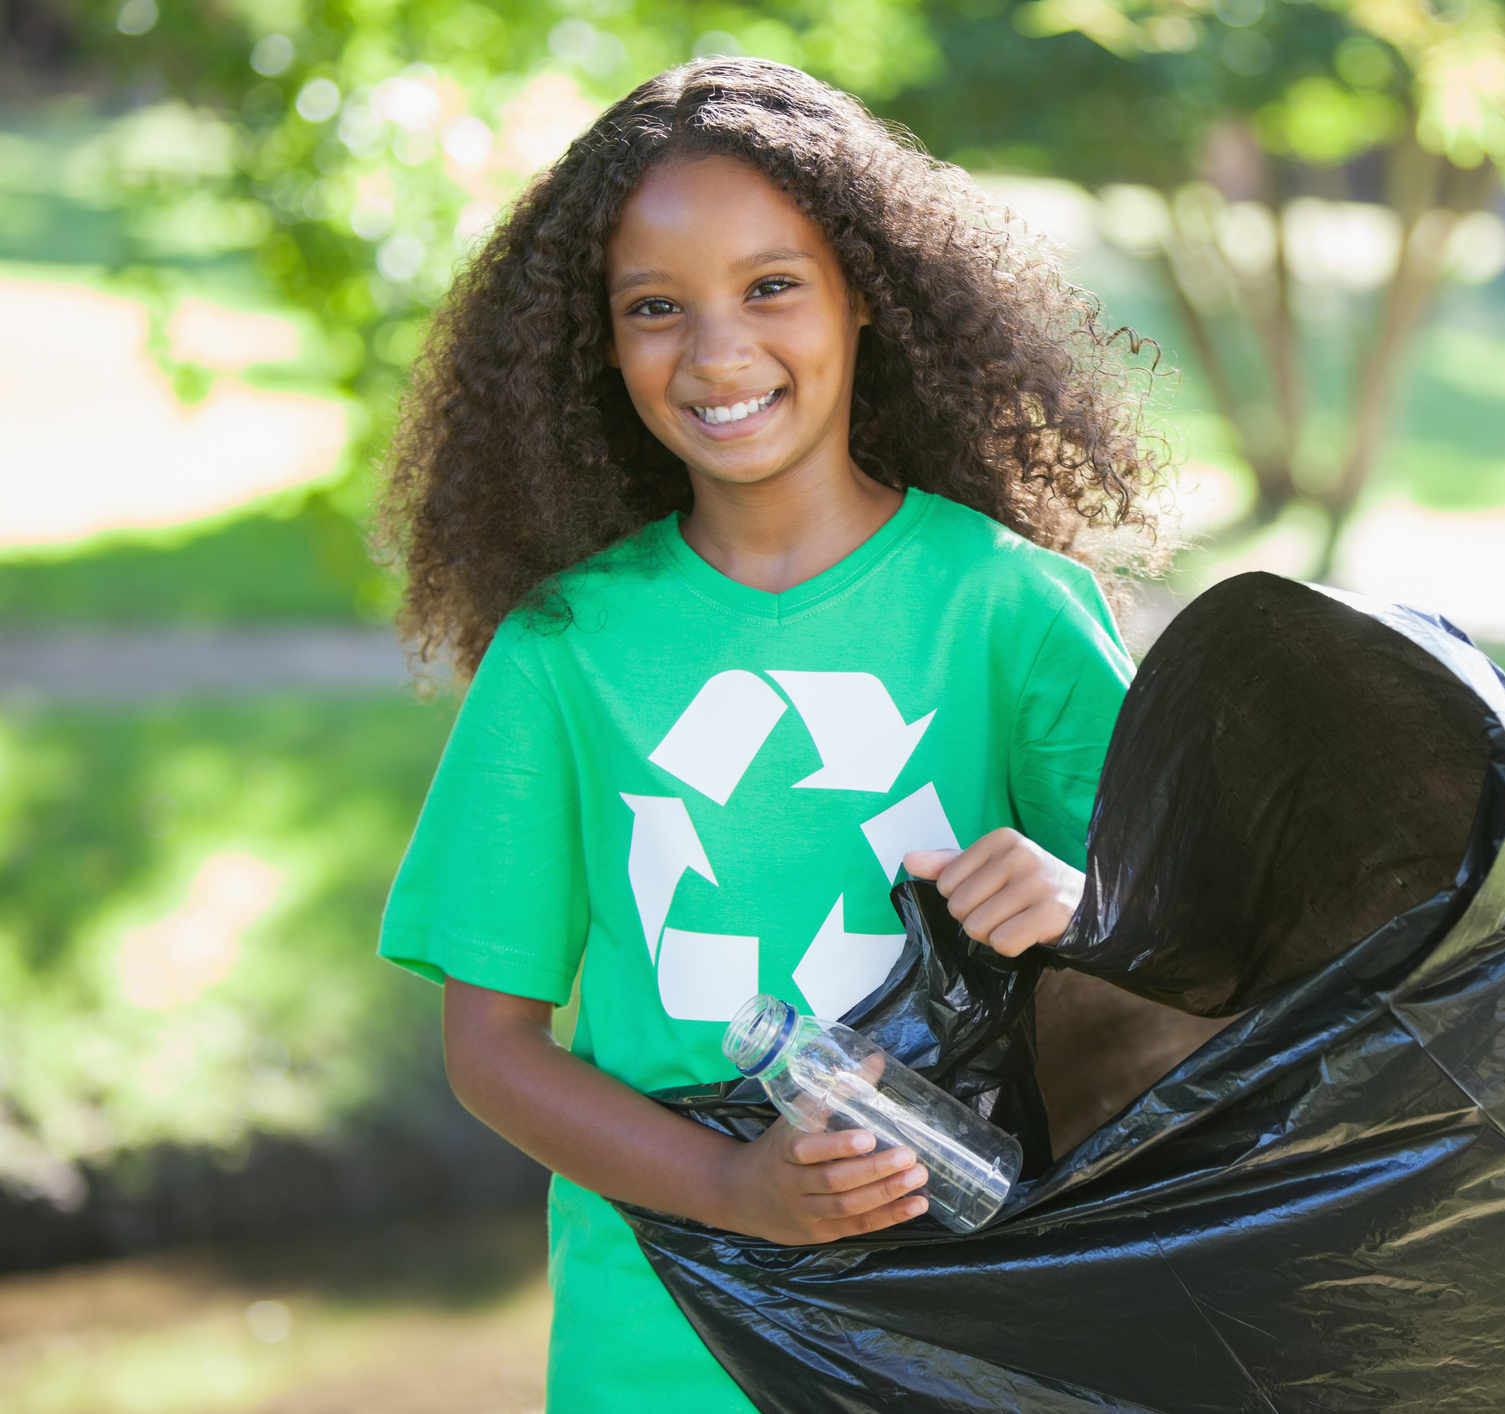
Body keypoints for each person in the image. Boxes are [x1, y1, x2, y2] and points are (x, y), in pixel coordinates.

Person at [374, 58, 1162, 1412]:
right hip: (660, 1333)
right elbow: (491, 1046)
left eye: (771, 285)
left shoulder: (1008, 609)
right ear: (598, 344)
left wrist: (1083, 906)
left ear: (869, 292)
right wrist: (736, 1185)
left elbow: (1188, 977)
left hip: (968, 1319)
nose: (717, 352)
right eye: (654, 308)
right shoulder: (564, 649)